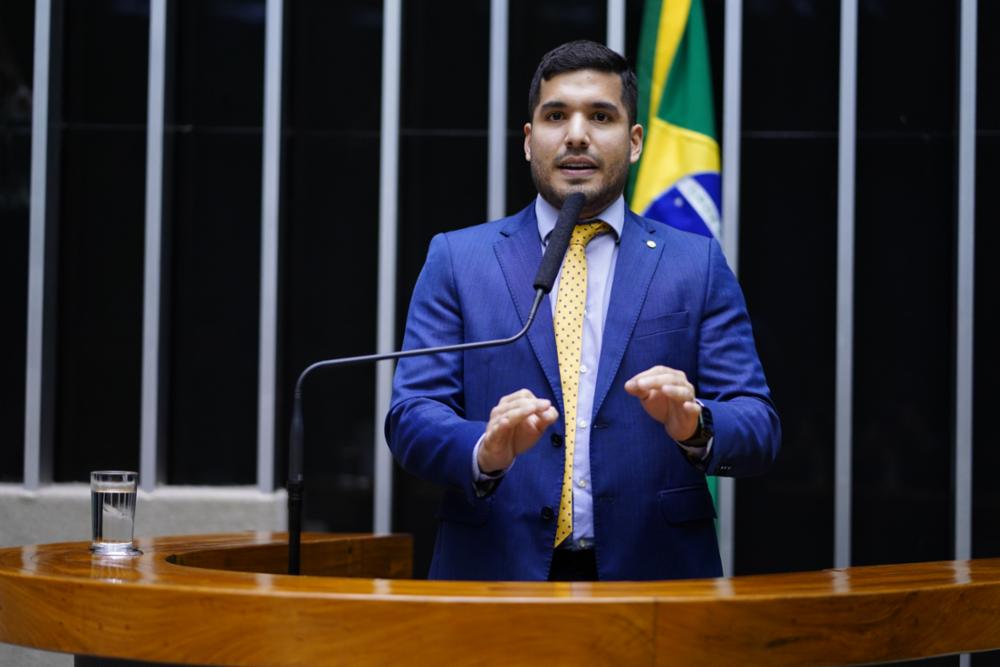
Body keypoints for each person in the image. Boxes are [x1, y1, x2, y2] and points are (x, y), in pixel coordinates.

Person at [386, 40, 779, 582]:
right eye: (555, 116)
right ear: (528, 141)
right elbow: (411, 416)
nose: (576, 134)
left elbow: (758, 423)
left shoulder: (696, 263)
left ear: (635, 141)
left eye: (601, 116)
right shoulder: (458, 258)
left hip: (656, 576)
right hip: (495, 573)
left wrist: (696, 424)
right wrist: (484, 448)